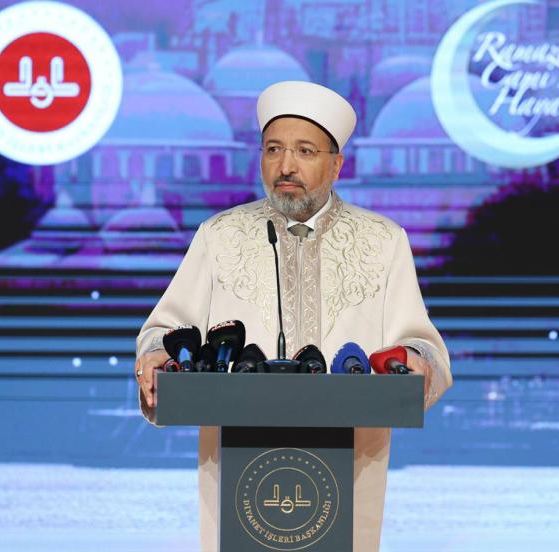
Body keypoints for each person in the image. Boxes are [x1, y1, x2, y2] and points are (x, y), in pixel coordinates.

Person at [134, 80, 452, 551]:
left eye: (305, 151)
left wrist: (416, 362)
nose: (286, 166)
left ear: (337, 164)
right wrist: (158, 355)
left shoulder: (384, 241)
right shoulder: (219, 236)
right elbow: (166, 330)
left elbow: (420, 345)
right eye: (274, 150)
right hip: (236, 461)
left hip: (352, 461)